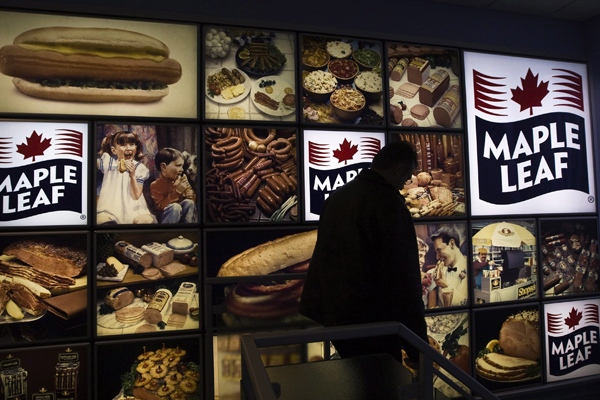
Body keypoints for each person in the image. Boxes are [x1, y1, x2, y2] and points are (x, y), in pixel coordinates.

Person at [299, 141, 428, 367]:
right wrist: (417, 348)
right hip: (372, 320)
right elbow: (403, 278)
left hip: (334, 315)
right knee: (383, 385)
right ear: (398, 169)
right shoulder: (389, 204)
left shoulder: (338, 196)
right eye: (406, 176)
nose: (404, 183)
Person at [97, 130, 156, 224]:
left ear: (136, 147)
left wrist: (132, 175)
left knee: (146, 220)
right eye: (123, 145)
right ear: (114, 150)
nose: (128, 148)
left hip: (134, 210)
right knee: (101, 220)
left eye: (132, 144)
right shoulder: (108, 164)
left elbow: (136, 195)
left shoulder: (139, 168)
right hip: (110, 209)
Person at [150, 147, 197, 223]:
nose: (182, 169)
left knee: (189, 203)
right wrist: (177, 191)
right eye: (178, 166)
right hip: (166, 218)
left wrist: (191, 195)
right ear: (164, 167)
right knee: (175, 207)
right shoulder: (155, 185)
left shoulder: (181, 180)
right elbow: (160, 206)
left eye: (182, 166)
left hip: (181, 216)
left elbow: (193, 199)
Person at [430, 226, 468, 307]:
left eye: (439, 250)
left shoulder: (470, 267)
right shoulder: (440, 271)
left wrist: (446, 286)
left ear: (452, 244)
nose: (437, 257)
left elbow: (468, 303)